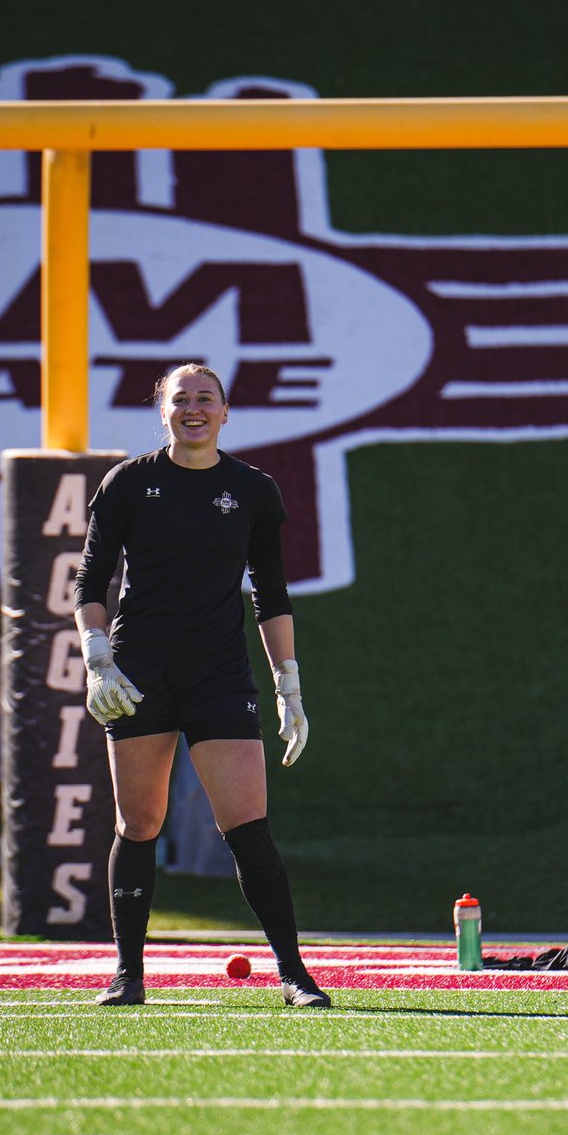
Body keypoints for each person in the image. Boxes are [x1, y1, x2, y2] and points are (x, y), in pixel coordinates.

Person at [74, 362, 329, 1009]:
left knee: (248, 825)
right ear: (162, 411)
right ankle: (127, 976)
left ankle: (295, 974)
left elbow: (271, 596)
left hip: (219, 672)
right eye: (180, 398)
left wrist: (289, 686)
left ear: (225, 412)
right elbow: (90, 583)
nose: (193, 408)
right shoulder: (129, 482)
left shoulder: (251, 489)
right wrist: (98, 658)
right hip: (139, 673)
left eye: (204, 399)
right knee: (140, 822)